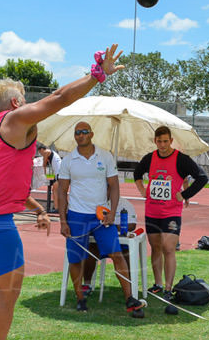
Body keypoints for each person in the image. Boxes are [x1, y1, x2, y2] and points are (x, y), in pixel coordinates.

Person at [0, 45, 124, 340]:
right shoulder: (16, 119)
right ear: (18, 103)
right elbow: (60, 97)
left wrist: (35, 209)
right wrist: (97, 75)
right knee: (9, 290)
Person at [57, 121, 145, 317]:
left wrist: (113, 212)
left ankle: (130, 298)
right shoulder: (68, 160)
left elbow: (114, 186)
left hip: (102, 216)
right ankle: (80, 298)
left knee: (116, 254)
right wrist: (63, 221)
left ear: (91, 134)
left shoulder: (105, 156)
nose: (80, 135)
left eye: (84, 132)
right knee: (76, 258)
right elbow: (62, 192)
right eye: (77, 132)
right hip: (76, 216)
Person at [133, 126, 208, 302]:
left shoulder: (181, 159)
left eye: (166, 141)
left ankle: (168, 287)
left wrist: (184, 194)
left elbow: (202, 177)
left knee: (168, 248)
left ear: (171, 141)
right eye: (159, 141)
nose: (163, 145)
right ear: (155, 141)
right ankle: (158, 284)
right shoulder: (150, 158)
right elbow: (137, 173)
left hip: (171, 212)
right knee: (156, 247)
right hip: (152, 211)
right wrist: (142, 190)